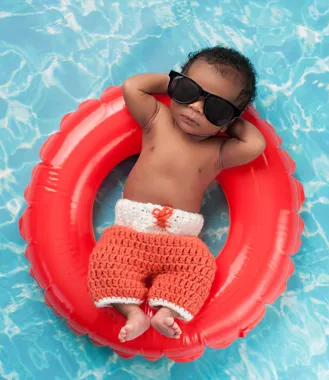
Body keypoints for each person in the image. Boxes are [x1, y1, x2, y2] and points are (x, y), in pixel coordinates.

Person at [88, 46, 266, 342]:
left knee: (200, 267)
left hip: (181, 241)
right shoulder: (156, 120)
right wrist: (174, 84)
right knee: (106, 261)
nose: (196, 108)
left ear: (228, 119)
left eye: (215, 108)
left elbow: (255, 144)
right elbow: (133, 86)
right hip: (130, 231)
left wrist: (228, 119)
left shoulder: (217, 151)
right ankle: (133, 313)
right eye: (189, 91)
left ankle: (165, 313)